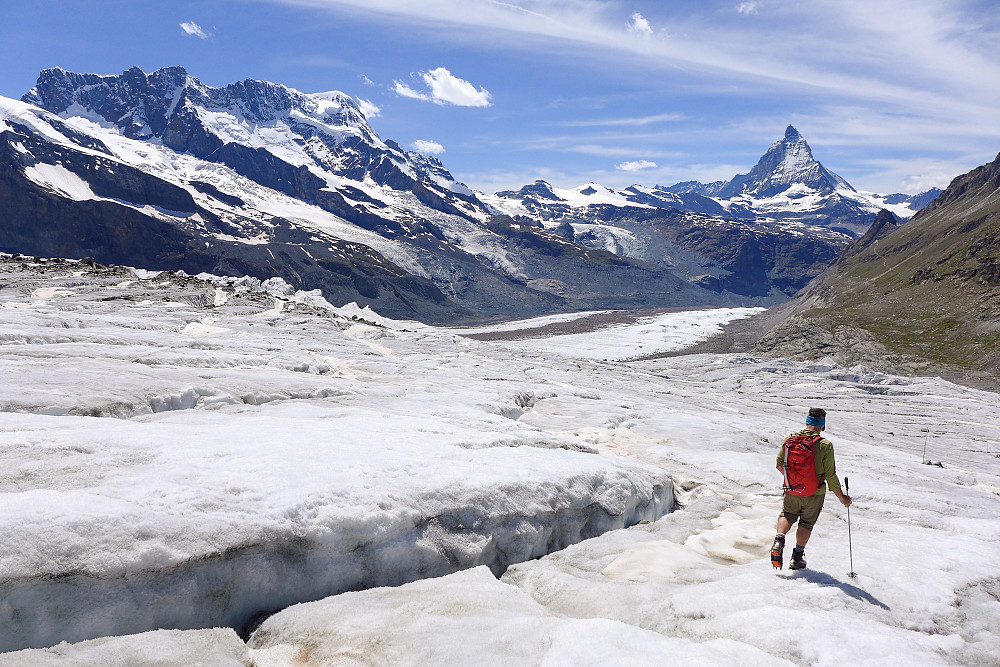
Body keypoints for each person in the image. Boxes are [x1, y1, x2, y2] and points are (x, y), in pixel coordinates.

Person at [771, 407, 851, 570]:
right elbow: (830, 476)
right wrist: (842, 498)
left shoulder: (790, 439)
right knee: (806, 523)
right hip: (815, 493)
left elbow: (779, 465)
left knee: (787, 514)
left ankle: (779, 539)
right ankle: (797, 558)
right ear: (822, 424)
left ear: (807, 421)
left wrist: (793, 480)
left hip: (792, 490)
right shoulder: (825, 445)